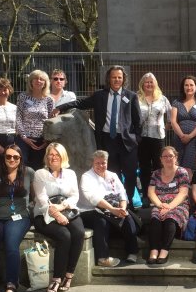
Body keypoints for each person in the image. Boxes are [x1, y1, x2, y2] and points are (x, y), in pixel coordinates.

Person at [55, 65, 142, 201]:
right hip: (107, 141)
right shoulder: (99, 95)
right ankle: (117, 201)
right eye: (114, 77)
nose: (117, 80)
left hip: (127, 142)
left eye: (119, 77)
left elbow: (138, 121)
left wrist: (136, 139)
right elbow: (80, 103)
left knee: (130, 175)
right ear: (109, 78)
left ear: (123, 79)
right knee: (112, 174)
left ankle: (129, 202)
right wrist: (60, 107)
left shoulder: (131, 96)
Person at [0, 144, 34, 292]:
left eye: (16, 157)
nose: (12, 160)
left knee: (11, 244)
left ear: (20, 159)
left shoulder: (28, 172)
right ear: (4, 158)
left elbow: (34, 195)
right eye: (8, 156)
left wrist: (32, 211)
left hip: (19, 216)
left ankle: (11, 284)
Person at [32, 143, 85, 292]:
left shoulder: (70, 174)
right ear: (47, 157)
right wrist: (56, 214)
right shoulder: (40, 174)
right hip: (44, 214)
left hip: (67, 210)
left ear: (63, 157)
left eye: (57, 154)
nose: (54, 157)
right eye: (51, 154)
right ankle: (56, 278)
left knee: (79, 233)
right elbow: (42, 199)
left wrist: (62, 208)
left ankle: (69, 275)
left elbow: (75, 196)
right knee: (64, 235)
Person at [79, 150, 140, 267]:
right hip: (90, 210)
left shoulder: (113, 175)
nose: (101, 166)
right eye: (98, 163)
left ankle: (132, 252)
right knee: (100, 221)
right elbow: (93, 198)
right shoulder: (86, 177)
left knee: (126, 216)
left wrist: (122, 208)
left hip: (112, 208)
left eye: (103, 163)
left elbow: (122, 193)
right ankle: (102, 258)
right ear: (92, 163)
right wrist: (112, 209)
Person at [147, 146, 190, 264]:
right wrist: (161, 205)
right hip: (160, 204)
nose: (168, 158)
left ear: (175, 157)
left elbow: (183, 193)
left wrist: (169, 207)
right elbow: (151, 192)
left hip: (178, 204)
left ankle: (164, 251)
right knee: (155, 219)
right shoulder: (155, 173)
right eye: (165, 156)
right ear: (161, 159)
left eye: (170, 156)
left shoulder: (182, 172)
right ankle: (154, 251)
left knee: (170, 219)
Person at [137, 72, 172, 191]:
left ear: (155, 84)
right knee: (144, 166)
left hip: (158, 137)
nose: (149, 84)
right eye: (146, 82)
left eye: (151, 82)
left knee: (158, 165)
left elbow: (171, 115)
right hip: (142, 137)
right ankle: (146, 194)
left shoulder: (162, 99)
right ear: (142, 84)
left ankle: (159, 191)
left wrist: (166, 126)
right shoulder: (136, 98)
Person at [16, 70, 54, 169]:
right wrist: (24, 137)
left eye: (41, 79)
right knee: (22, 167)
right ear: (31, 82)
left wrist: (47, 140)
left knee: (40, 168)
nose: (38, 81)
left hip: (42, 140)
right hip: (24, 139)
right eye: (36, 79)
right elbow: (18, 117)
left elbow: (51, 120)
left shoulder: (49, 100)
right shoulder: (23, 97)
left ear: (45, 83)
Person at [170, 75, 196, 172]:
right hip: (179, 138)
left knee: (190, 166)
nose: (189, 87)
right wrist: (182, 135)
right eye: (186, 85)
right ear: (183, 87)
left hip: (195, 139)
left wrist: (190, 136)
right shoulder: (176, 102)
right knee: (178, 164)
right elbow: (173, 121)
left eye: (191, 85)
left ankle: (191, 187)